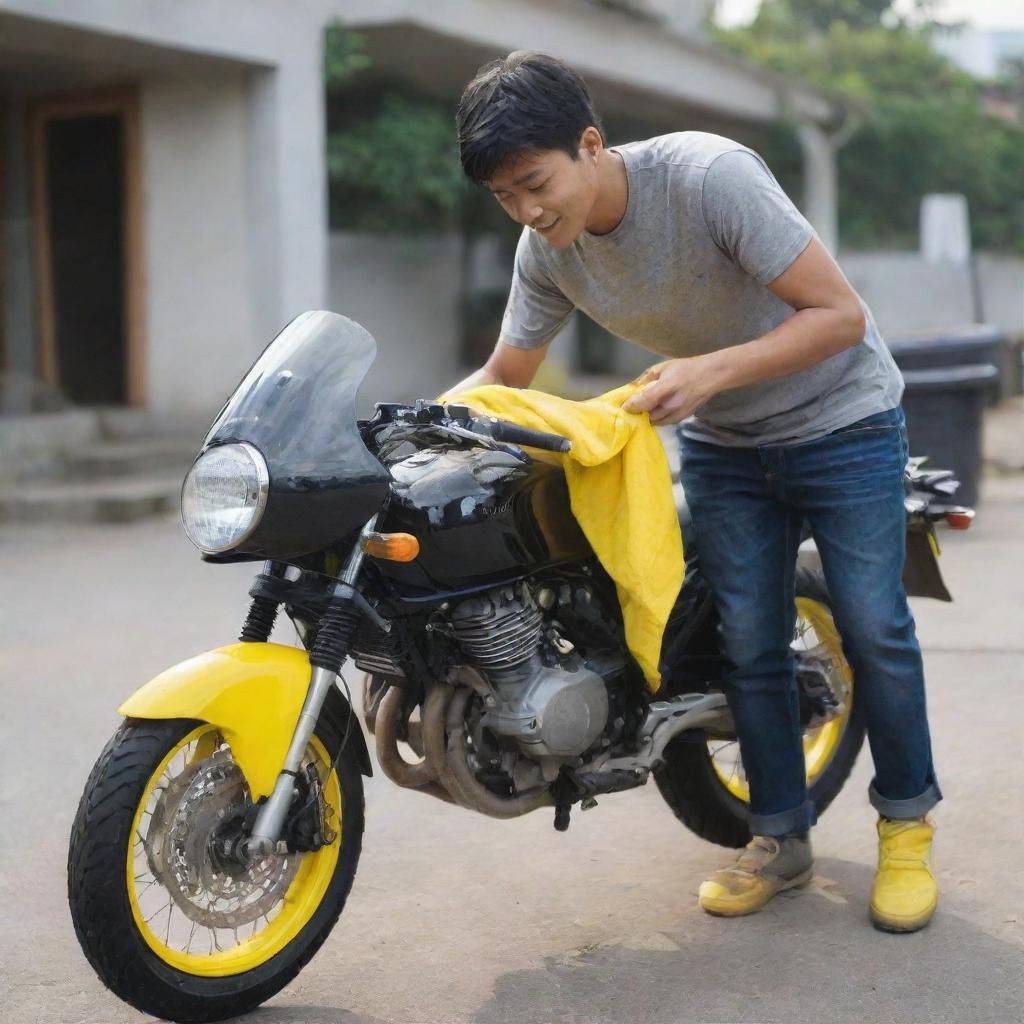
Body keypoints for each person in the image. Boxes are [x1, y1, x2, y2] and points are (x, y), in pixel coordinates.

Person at [446, 51, 941, 932]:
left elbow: (840, 317)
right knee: (746, 642)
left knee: (873, 629)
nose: (526, 211)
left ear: (591, 144)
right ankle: (780, 840)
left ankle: (905, 828)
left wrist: (710, 373)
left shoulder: (712, 179)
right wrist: (424, 424)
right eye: (504, 198)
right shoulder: (546, 251)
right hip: (725, 445)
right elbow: (503, 376)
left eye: (534, 182)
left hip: (845, 424)